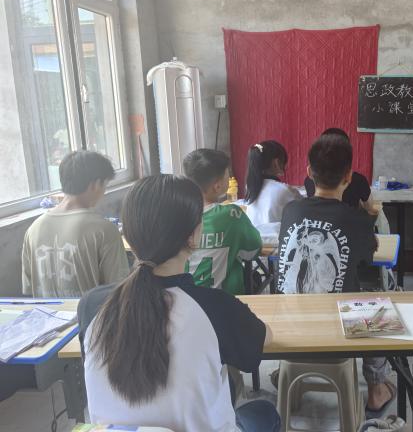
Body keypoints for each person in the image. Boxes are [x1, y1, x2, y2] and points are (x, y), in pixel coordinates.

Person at [78, 175, 280, 432]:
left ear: (127, 235)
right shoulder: (216, 307)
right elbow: (262, 341)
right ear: (193, 236)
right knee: (264, 412)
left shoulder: (92, 305)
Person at [277, 134, 395, 418]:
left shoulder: (291, 210)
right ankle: (377, 390)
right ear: (349, 177)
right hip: (337, 332)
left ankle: (285, 377)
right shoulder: (357, 220)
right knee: (382, 304)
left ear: (309, 172)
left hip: (287, 327)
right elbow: (367, 258)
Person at [22, 151, 128, 297]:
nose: (104, 192)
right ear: (95, 184)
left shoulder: (34, 229)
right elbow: (119, 289)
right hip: (91, 312)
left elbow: (28, 288)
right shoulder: (104, 230)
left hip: (46, 312)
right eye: (105, 185)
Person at [183, 148, 262, 295]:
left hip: (186, 301)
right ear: (217, 186)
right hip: (226, 301)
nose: (230, 177)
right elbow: (253, 251)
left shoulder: (177, 217)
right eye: (227, 175)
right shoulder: (231, 215)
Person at [304, 128, 378, 214]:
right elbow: (369, 208)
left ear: (309, 172)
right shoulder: (359, 180)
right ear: (348, 176)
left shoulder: (308, 181)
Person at [245, 140, 301, 226]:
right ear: (276, 163)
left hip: (254, 235)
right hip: (275, 235)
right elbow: (303, 210)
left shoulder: (250, 187)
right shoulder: (284, 191)